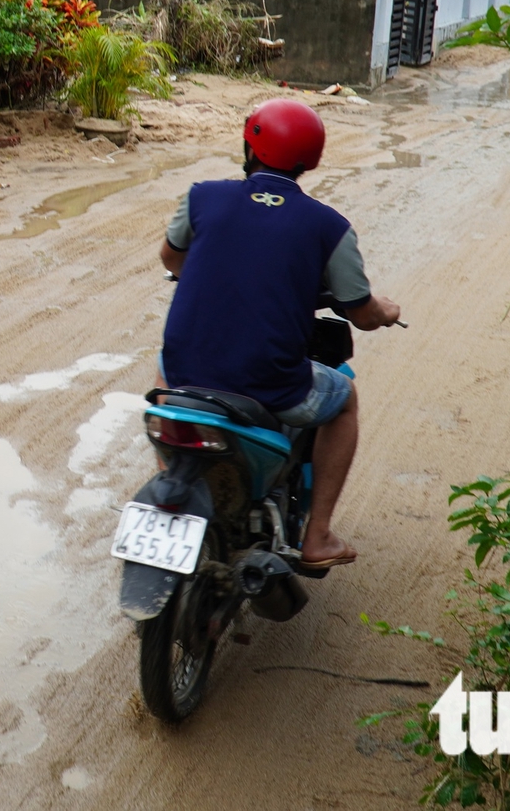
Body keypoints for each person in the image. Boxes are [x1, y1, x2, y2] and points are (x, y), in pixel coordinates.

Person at [156, 98, 401, 570]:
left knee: (168, 361)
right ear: (309, 161)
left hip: (187, 371)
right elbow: (362, 312)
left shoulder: (202, 196)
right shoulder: (329, 227)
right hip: (271, 386)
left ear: (250, 145)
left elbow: (172, 259)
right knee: (344, 397)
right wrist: (386, 310)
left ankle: (178, 478)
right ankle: (318, 536)